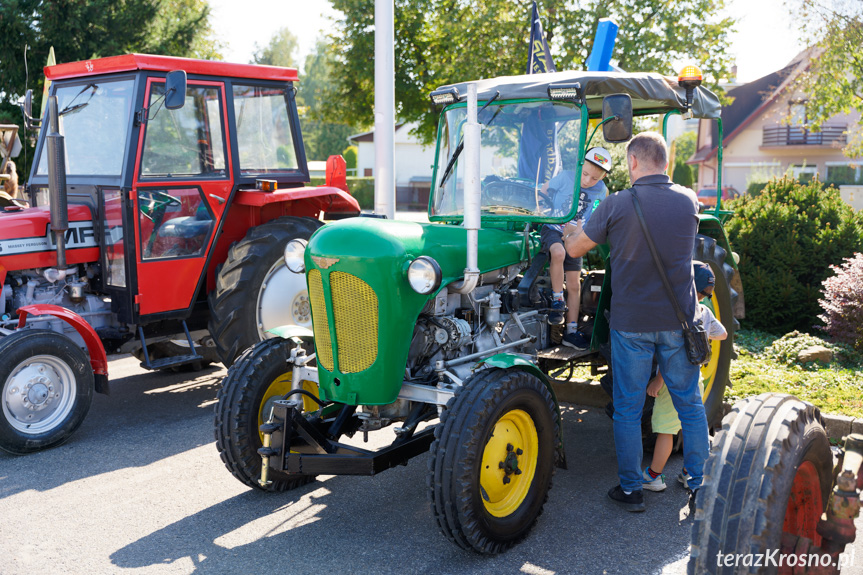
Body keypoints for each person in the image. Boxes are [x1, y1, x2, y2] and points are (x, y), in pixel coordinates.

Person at [563, 131, 708, 513]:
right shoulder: (688, 200)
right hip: (680, 322)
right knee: (690, 405)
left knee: (627, 410)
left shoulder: (616, 204)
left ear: (631, 162)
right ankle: (699, 485)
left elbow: (576, 249)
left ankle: (632, 491)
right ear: (665, 162)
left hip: (631, 325)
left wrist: (573, 230)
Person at [642, 261, 727, 492]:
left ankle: (654, 476)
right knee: (692, 426)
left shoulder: (672, 312)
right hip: (695, 379)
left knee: (666, 431)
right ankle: (691, 472)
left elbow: (667, 355)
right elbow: (723, 334)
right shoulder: (704, 311)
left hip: (670, 383)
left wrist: (658, 381)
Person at [537, 147, 611, 349]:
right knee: (558, 252)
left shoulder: (601, 190)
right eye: (585, 174)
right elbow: (543, 189)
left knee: (575, 284)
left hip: (576, 237)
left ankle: (570, 331)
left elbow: (599, 211)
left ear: (603, 177)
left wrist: (584, 230)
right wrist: (544, 210)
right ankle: (557, 299)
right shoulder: (566, 177)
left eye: (594, 178)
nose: (587, 181)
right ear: (580, 166)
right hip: (554, 227)